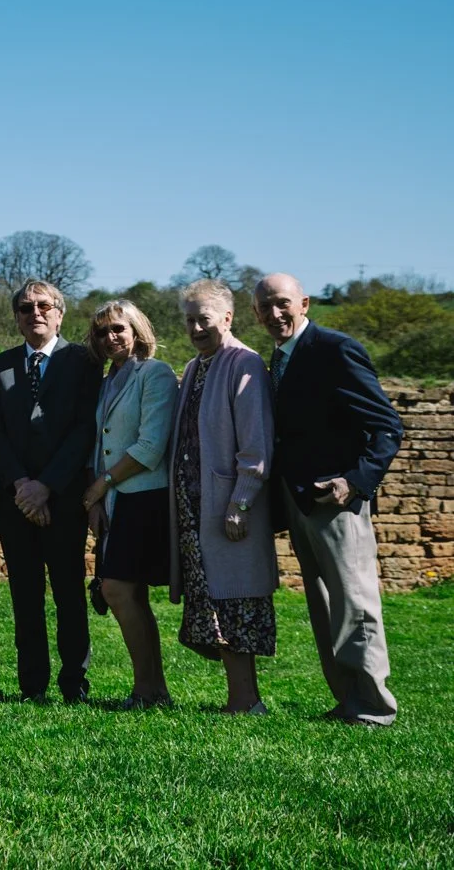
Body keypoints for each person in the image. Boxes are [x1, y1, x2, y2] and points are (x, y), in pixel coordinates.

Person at [255, 272, 403, 725]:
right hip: (299, 498)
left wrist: (355, 481)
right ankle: (346, 699)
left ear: (304, 303)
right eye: (265, 307)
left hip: (337, 502)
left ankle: (374, 706)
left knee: (354, 601)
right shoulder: (278, 356)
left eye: (282, 303)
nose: (274, 313)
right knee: (322, 603)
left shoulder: (336, 349)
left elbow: (387, 426)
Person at [0, 279, 101, 703]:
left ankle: (74, 683)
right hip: (15, 500)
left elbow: (84, 429)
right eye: (25, 307)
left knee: (69, 592)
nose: (35, 312)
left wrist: (46, 486)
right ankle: (31, 684)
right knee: (25, 595)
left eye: (44, 306)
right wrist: (22, 485)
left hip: (64, 499)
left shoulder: (84, 362)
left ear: (59, 314)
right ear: (16, 317)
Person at [170, 279, 277, 714]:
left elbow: (256, 443)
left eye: (204, 319)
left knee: (236, 601)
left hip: (227, 507)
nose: (196, 328)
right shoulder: (196, 365)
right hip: (196, 509)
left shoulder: (244, 363)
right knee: (215, 603)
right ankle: (240, 698)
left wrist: (241, 502)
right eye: (189, 320)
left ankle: (247, 701)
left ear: (228, 318)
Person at [80, 298, 178, 708]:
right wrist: (96, 502)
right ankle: (153, 691)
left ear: (137, 331)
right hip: (114, 500)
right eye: (102, 332)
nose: (110, 337)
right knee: (130, 595)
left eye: (118, 328)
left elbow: (151, 446)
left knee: (117, 589)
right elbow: (99, 444)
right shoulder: (107, 381)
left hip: (143, 496)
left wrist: (100, 486)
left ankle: (147, 689)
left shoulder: (154, 374)